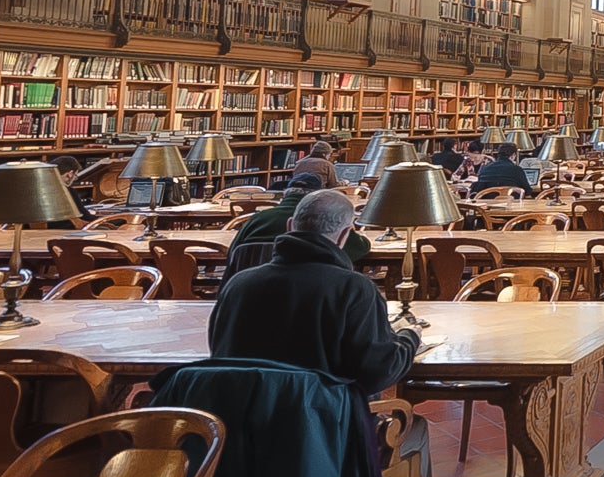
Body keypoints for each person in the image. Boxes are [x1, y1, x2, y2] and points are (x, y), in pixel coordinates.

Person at [209, 191, 419, 394]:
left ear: (290, 226)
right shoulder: (354, 289)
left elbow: (217, 350)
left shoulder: (238, 284)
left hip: (238, 420)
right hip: (322, 423)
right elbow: (377, 373)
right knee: (415, 426)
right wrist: (409, 338)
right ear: (344, 236)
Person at [232, 168, 372, 266]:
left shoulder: (257, 219)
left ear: (286, 193)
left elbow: (233, 253)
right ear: (317, 196)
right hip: (314, 292)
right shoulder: (325, 219)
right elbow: (359, 247)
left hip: (253, 291)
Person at [465, 142, 534, 195]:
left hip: (487, 204)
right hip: (511, 205)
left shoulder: (485, 168)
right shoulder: (516, 169)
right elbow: (527, 191)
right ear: (513, 155)